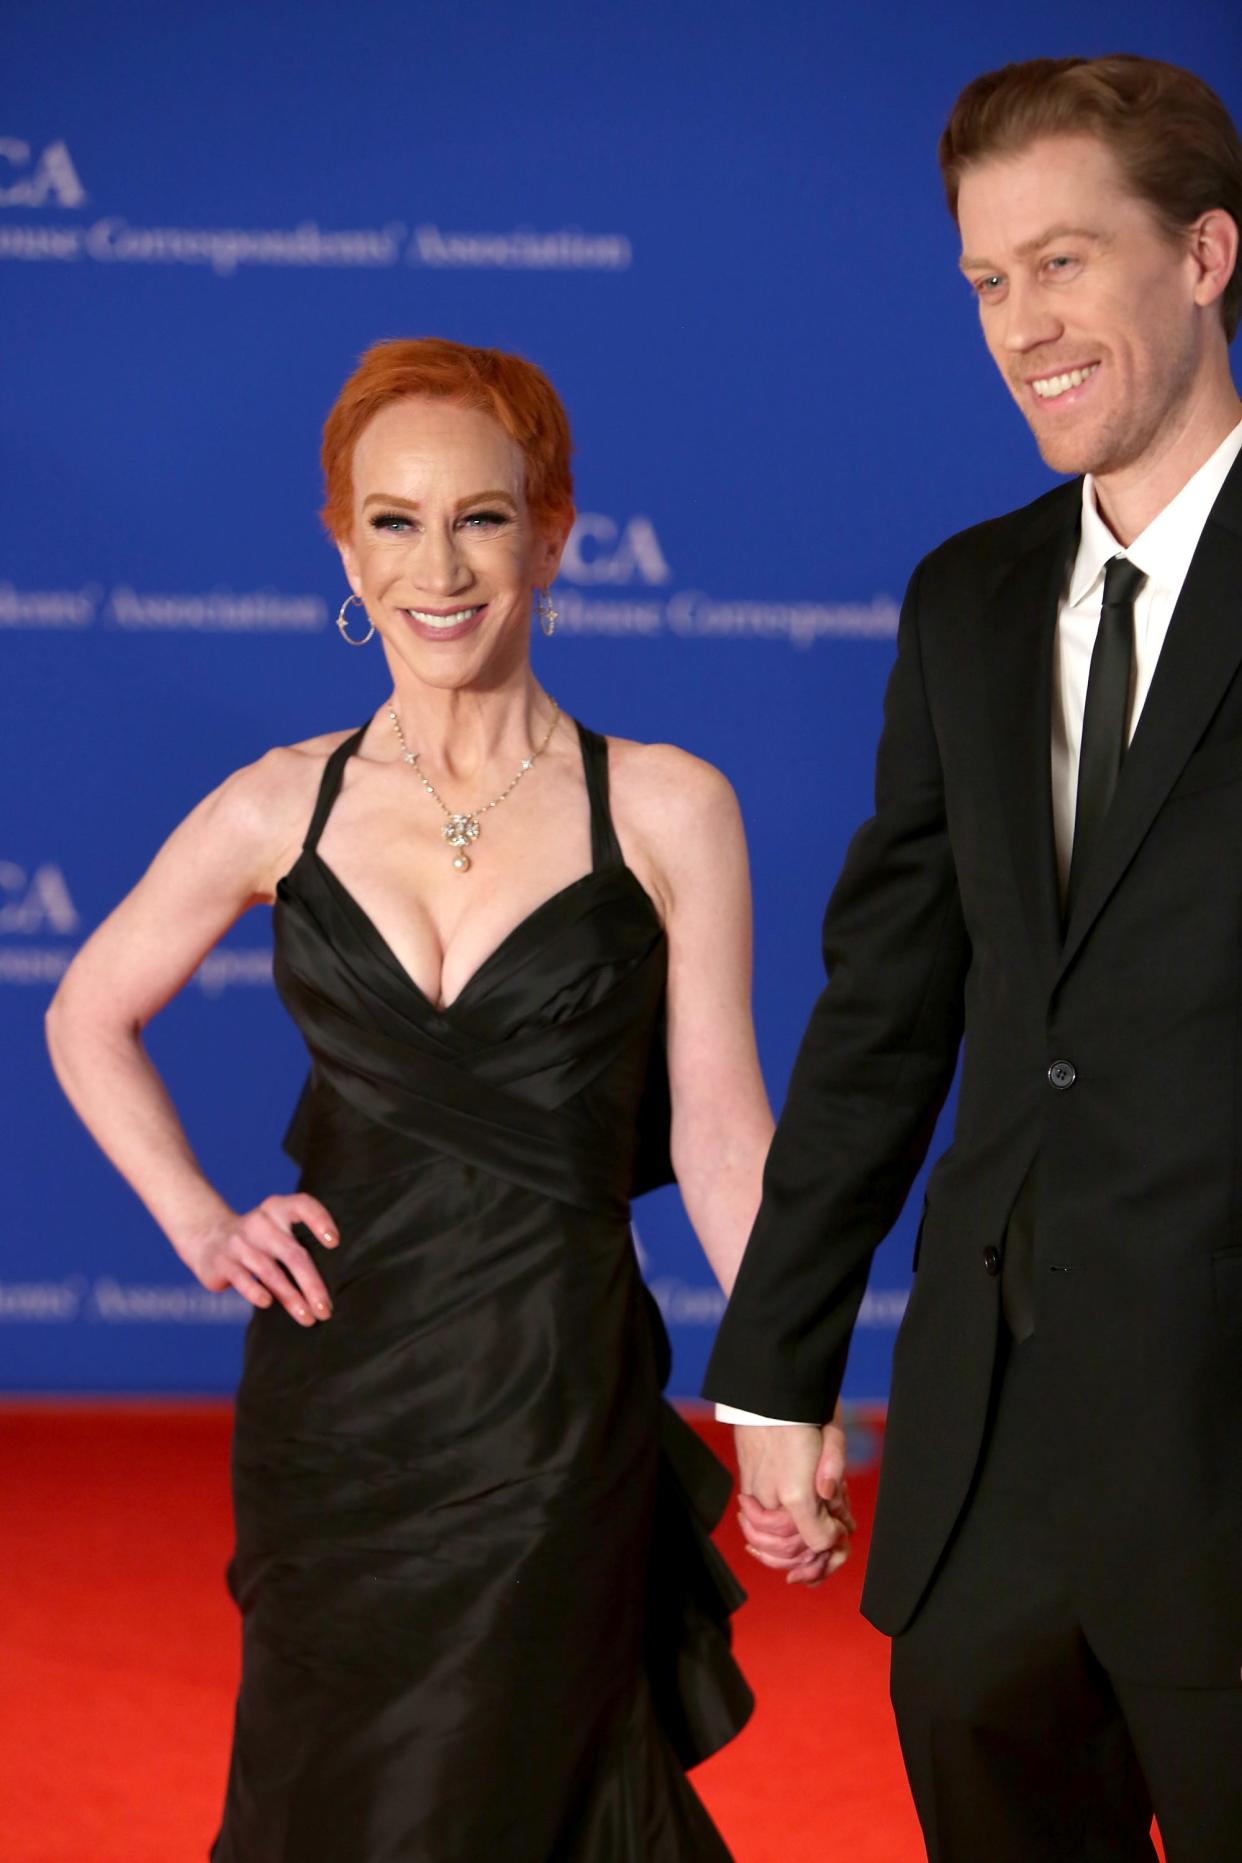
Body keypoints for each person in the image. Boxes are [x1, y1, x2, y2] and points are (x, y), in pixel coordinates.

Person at [45, 337, 834, 1860]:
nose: (439, 564)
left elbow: (723, 1132)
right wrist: (202, 1220)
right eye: (392, 521)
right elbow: (86, 1012)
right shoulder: (284, 799)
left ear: (553, 532)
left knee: (514, 1794)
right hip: (331, 1415)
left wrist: (778, 1391)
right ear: (343, 546)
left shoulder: (667, 805)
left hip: (548, 1403)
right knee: (326, 1799)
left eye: (481, 515)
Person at [703, 53, 1242, 1863]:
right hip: (990, 1478)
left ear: (1203, 255)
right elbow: (884, 1012)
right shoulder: (965, 602)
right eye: (987, 281)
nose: (1023, 325)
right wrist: (773, 1361)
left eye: (1065, 263)